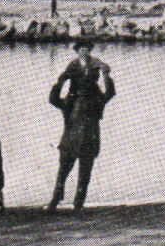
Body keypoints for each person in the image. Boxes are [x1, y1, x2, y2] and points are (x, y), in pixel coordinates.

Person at [47, 39, 116, 210]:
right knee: (71, 172)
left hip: (74, 142)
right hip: (81, 142)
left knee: (68, 172)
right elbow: (109, 93)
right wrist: (61, 81)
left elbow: (53, 99)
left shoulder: (81, 101)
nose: (83, 52)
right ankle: (67, 202)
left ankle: (65, 202)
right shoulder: (86, 101)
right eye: (81, 49)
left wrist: (106, 74)